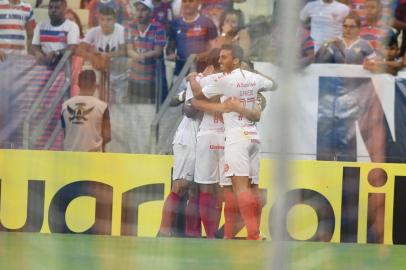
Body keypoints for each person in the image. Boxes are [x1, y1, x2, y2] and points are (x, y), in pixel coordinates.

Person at [188, 44, 276, 240]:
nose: (220, 61)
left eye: (224, 58)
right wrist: (253, 73)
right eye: (219, 57)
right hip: (253, 135)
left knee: (240, 188)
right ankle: (229, 235)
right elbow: (274, 85)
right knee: (234, 188)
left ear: (236, 60)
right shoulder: (254, 78)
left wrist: (194, 80)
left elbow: (199, 96)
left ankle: (253, 234)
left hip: (236, 137)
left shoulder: (226, 81)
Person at [126, 0, 166, 104]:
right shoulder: (130, 27)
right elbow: (129, 49)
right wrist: (138, 56)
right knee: (133, 108)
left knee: (151, 108)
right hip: (134, 77)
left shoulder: (159, 28)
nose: (140, 13)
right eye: (138, 10)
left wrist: (141, 56)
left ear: (151, 13)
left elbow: (158, 51)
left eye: (143, 10)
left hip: (153, 79)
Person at [61, 69, 111, 152]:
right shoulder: (102, 107)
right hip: (93, 159)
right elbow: (107, 136)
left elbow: (65, 133)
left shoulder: (65, 106)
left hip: (70, 158)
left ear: (78, 84)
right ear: (95, 85)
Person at [167, 0, 218, 77]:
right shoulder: (175, 24)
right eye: (184, 1)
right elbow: (170, 47)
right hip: (180, 73)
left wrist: (198, 57)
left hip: (202, 73)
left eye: (191, 1)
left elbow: (215, 50)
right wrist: (171, 54)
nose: (187, 4)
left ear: (198, 3)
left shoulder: (207, 23)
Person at [31, 0, 80, 66]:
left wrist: (57, 53)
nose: (53, 10)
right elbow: (35, 45)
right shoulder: (40, 26)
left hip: (65, 67)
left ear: (65, 10)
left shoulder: (72, 26)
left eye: (57, 8)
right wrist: (37, 53)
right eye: (50, 7)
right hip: (44, 65)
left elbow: (72, 48)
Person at [77, 7, 125, 71]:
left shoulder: (121, 30)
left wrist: (107, 55)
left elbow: (124, 51)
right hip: (98, 65)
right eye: (102, 19)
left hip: (116, 66)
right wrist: (92, 57)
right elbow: (79, 50)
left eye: (109, 19)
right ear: (98, 20)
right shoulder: (93, 31)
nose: (105, 23)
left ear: (114, 20)